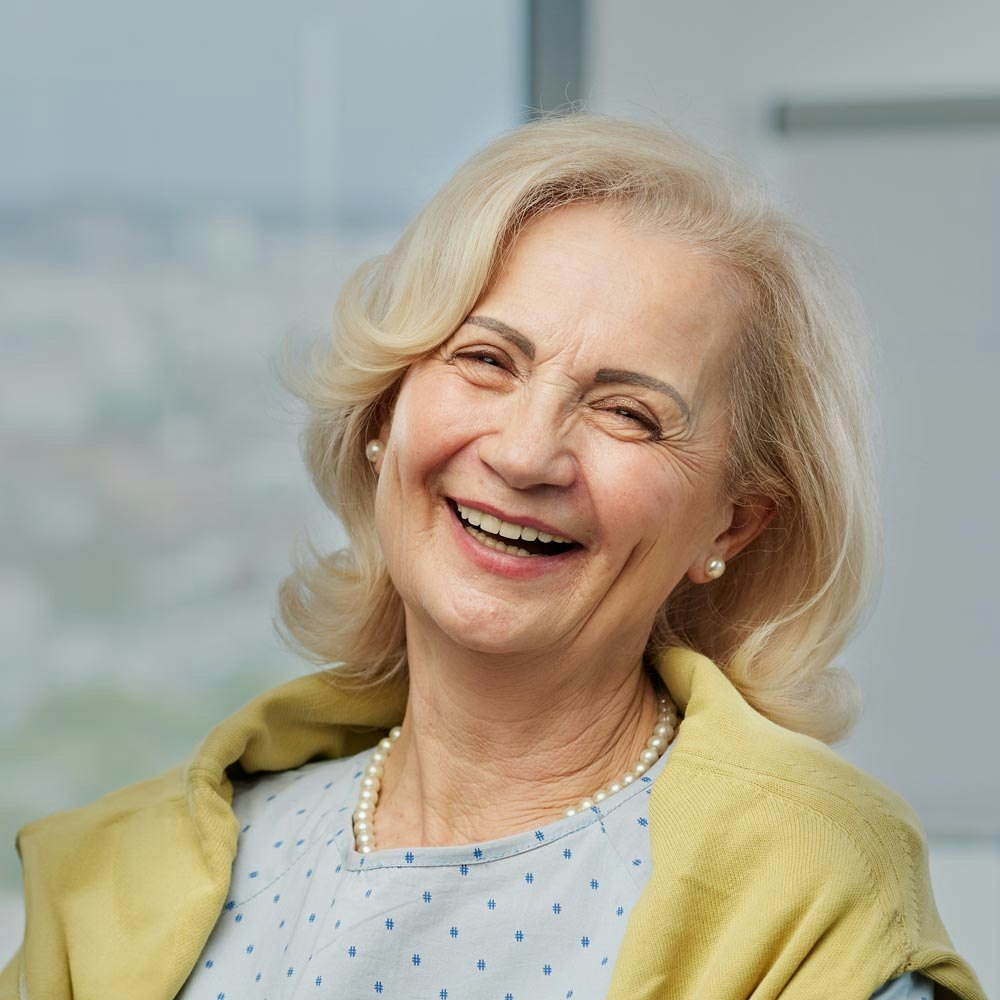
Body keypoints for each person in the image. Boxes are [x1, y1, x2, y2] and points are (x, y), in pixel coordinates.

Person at [1, 114, 987, 1000]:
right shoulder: (114, 886)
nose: (524, 453)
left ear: (729, 526)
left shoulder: (813, 900)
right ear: (388, 408)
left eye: (627, 411)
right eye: (485, 360)